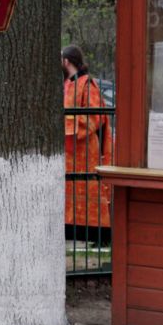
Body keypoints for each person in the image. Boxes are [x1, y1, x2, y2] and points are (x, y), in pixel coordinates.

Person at [62, 45, 112, 243]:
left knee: (87, 186)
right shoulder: (69, 83)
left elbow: (96, 116)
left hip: (84, 149)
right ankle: (72, 229)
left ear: (66, 61)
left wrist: (66, 123)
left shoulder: (87, 84)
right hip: (69, 149)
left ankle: (96, 232)